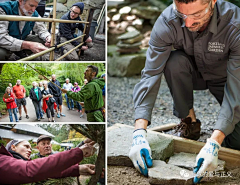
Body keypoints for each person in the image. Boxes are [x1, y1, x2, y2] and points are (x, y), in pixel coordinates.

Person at [129, 0, 240, 183]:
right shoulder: (167, 21)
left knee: (237, 142)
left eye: (197, 15)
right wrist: (138, 133)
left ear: (213, 2)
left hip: (227, 78)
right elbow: (150, 74)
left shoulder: (234, 24)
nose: (188, 24)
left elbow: (237, 87)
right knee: (173, 62)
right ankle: (189, 122)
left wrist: (214, 143)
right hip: (192, 72)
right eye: (182, 15)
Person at [0, 139, 97, 184]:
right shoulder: (3, 160)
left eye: (48, 143)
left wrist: (77, 169)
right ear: (13, 147)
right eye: (26, 146)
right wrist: (78, 152)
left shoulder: (28, 161)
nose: (29, 150)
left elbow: (49, 171)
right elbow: (30, 169)